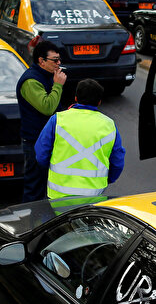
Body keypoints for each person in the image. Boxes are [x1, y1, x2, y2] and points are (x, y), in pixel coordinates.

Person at [35, 79, 125, 199]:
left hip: (58, 194)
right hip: (94, 194)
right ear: (99, 102)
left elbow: (41, 155)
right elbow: (117, 162)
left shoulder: (57, 120)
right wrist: (106, 179)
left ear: (76, 98)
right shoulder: (109, 125)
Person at [17, 40, 67, 202]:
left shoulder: (49, 76)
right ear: (41, 61)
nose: (59, 63)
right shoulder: (31, 81)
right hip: (35, 142)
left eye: (59, 59)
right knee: (35, 188)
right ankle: (31, 224)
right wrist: (58, 85)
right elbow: (47, 107)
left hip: (51, 140)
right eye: (55, 60)